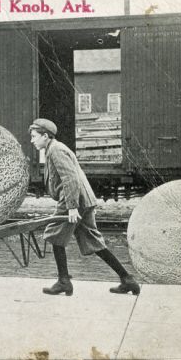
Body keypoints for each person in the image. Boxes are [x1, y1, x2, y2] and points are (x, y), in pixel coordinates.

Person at [28, 118, 140, 296]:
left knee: (54, 235)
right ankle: (127, 279)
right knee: (93, 241)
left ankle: (64, 281)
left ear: (45, 136)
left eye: (34, 136)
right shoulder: (53, 148)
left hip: (75, 201)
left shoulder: (56, 150)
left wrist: (72, 207)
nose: (32, 140)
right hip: (82, 200)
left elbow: (70, 178)